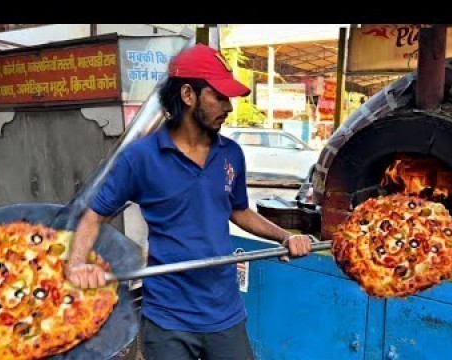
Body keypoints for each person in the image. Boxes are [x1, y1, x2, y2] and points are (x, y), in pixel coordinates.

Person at [64, 43, 313, 360]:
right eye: (219, 96)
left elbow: (238, 211)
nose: (229, 107)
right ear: (187, 95)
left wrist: (286, 237)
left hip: (225, 315)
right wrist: (76, 264)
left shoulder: (231, 154)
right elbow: (94, 215)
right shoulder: (140, 158)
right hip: (168, 321)